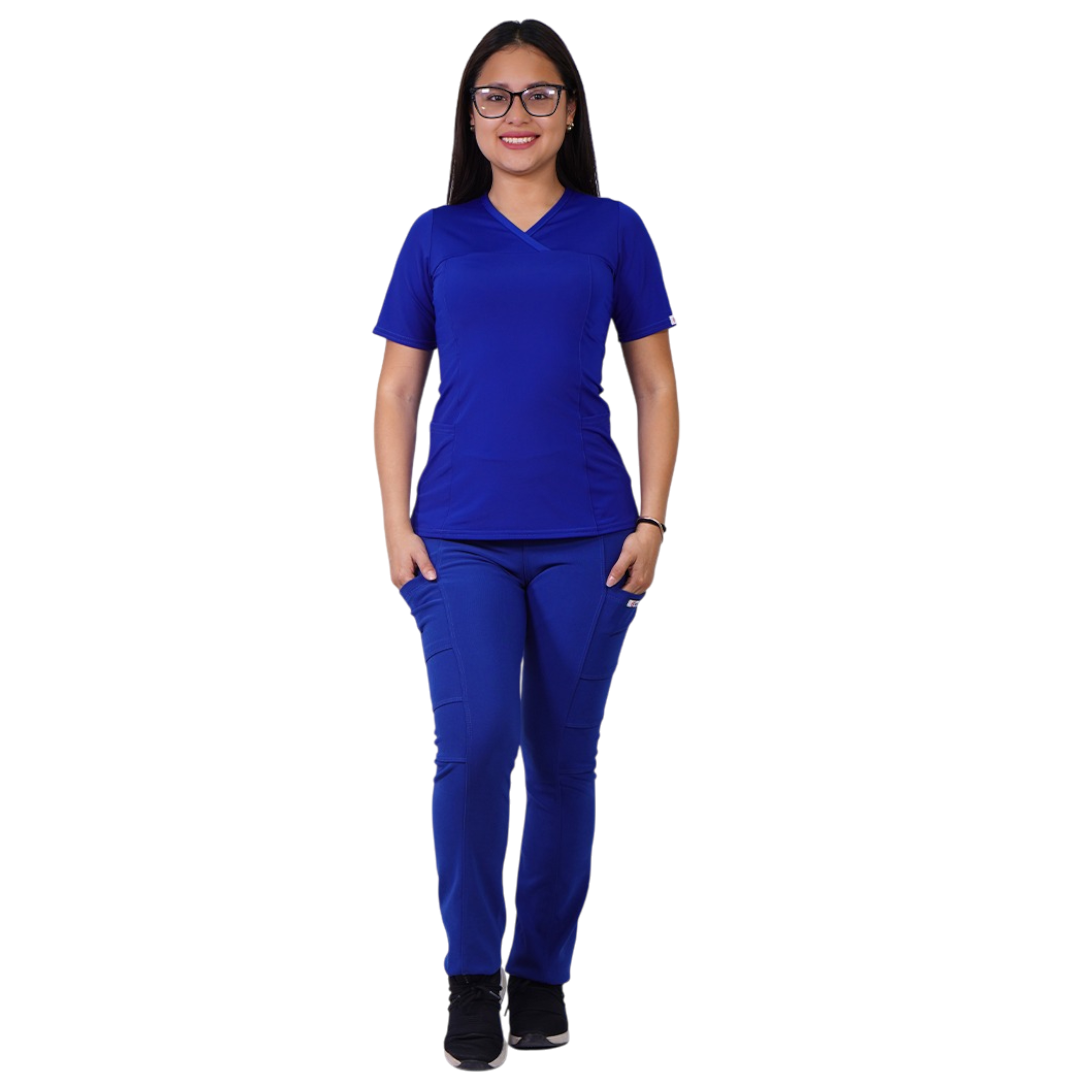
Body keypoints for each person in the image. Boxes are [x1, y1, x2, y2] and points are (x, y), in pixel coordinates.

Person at [371, 18, 679, 1071]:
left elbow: (656, 386)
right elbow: (396, 391)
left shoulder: (615, 230)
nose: (518, 114)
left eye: (539, 94)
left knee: (562, 762)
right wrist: (395, 525)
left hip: (590, 535)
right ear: (470, 118)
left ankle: (541, 974)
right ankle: (471, 977)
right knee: (473, 753)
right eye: (495, 96)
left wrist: (652, 520)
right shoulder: (434, 237)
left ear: (571, 112)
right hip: (458, 536)